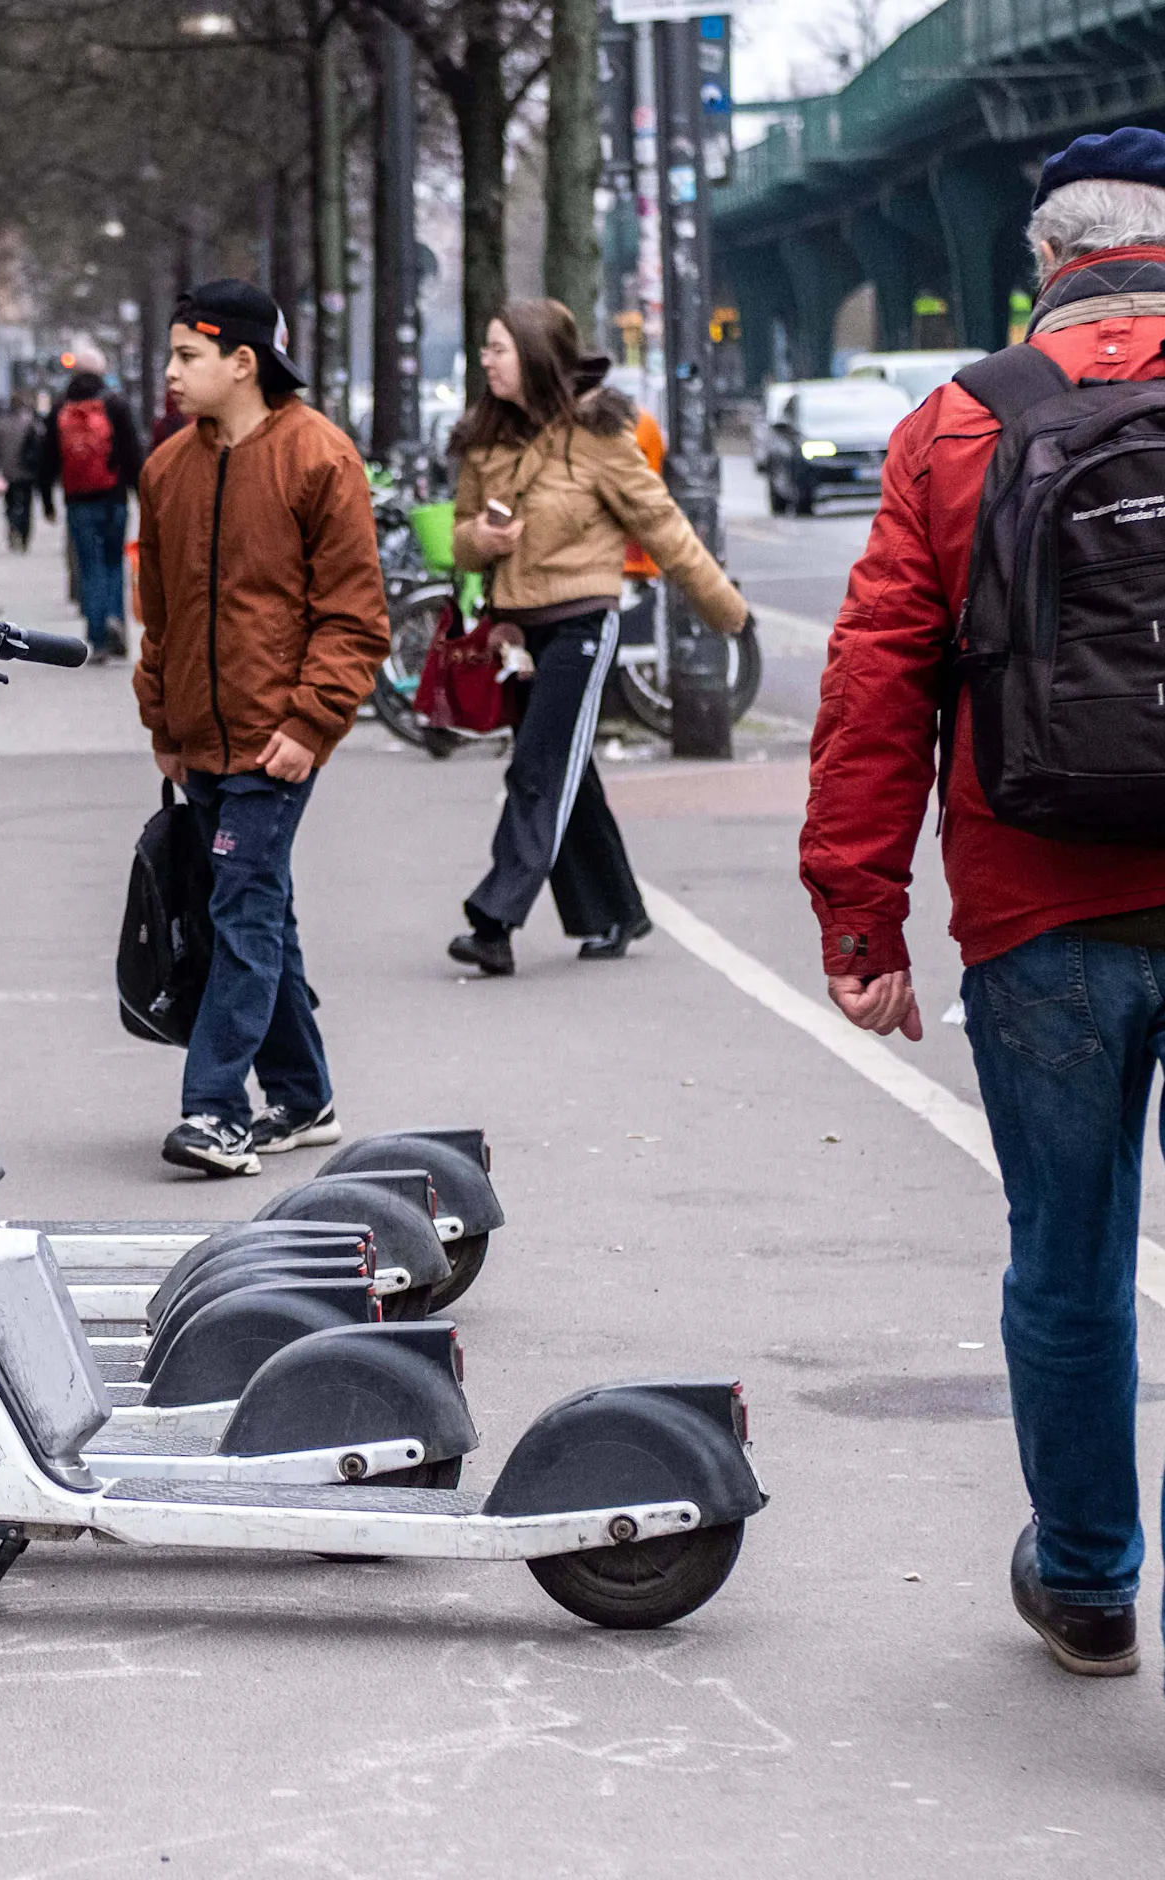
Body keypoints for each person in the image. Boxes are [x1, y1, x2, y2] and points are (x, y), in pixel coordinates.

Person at [801, 129, 1165, 1680]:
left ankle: (1086, 1583)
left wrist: (860, 922)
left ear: (1046, 267)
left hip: (1038, 918)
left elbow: (875, 684)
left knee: (1067, 1259)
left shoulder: (958, 423)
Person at [135, 279, 390, 1176]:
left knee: (237, 904)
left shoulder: (320, 458)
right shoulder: (167, 470)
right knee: (255, 905)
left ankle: (213, 1110)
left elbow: (355, 616)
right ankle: (302, 1091)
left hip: (277, 737)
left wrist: (312, 721)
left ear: (244, 363)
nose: (169, 373)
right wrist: (161, 720)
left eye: (186, 356)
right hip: (201, 734)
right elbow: (158, 617)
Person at [445, 301, 747, 976]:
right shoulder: (483, 437)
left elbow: (663, 525)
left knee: (538, 767)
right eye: (485, 349)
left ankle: (494, 918)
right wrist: (480, 540)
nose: (487, 360)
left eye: (499, 349)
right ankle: (614, 911)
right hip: (516, 630)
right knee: (566, 774)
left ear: (534, 355)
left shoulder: (600, 436)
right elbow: (461, 541)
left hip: (582, 621)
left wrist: (726, 612)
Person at [40, 345, 144, 663]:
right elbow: (131, 452)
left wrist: (47, 500)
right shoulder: (114, 404)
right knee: (115, 562)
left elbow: (47, 457)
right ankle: (116, 622)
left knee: (89, 565)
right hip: (113, 497)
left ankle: (97, 636)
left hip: (77, 500)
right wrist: (141, 493)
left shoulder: (60, 406)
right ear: (101, 371)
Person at [0, 395, 42, 551]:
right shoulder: (30, 421)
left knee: (10, 503)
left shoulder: (1, 423)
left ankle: (13, 526)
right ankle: (24, 535)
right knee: (26, 505)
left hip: (8, 472)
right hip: (27, 472)